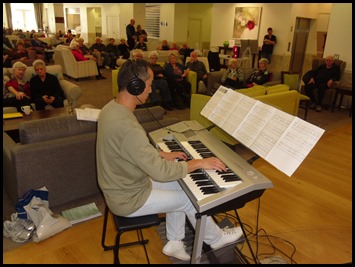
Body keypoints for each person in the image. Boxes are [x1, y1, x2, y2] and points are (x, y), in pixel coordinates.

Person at [96, 59, 243, 262]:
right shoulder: (126, 126)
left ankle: (175, 242)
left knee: (182, 185)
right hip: (128, 198)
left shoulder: (111, 109)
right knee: (191, 200)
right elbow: (161, 172)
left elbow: (127, 150)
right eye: (148, 83)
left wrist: (160, 154)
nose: (150, 89)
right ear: (135, 86)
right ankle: (216, 238)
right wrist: (198, 163)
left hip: (123, 184)